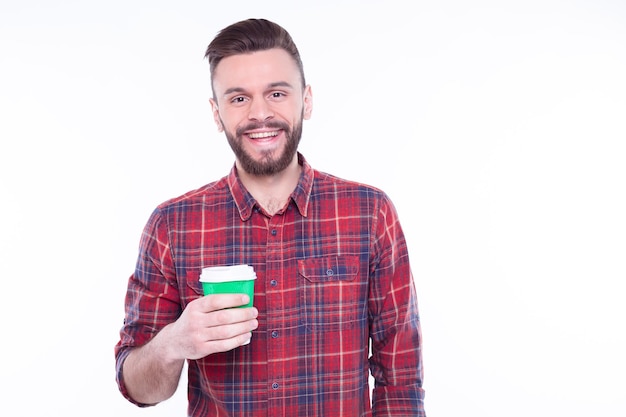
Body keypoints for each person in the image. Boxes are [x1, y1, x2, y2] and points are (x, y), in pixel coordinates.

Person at [114, 18, 425, 416]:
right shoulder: (172, 225)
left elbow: (399, 377)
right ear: (216, 113)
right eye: (239, 98)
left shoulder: (370, 213)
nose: (260, 114)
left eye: (276, 93)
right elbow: (139, 388)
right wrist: (174, 342)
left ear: (306, 100)